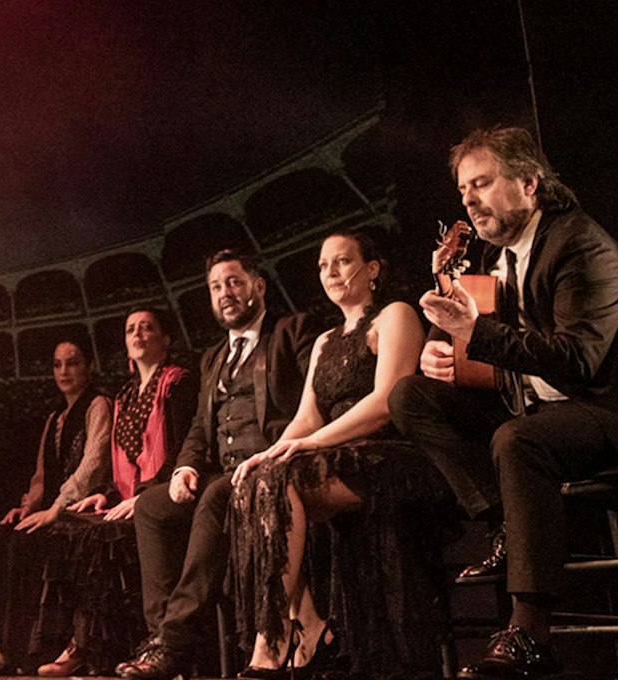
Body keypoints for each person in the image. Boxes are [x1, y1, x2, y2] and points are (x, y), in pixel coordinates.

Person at [390, 126, 618, 679]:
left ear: (530, 183)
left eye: (482, 183)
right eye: (464, 189)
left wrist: (476, 333)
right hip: (551, 411)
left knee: (519, 438)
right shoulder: (499, 258)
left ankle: (530, 632)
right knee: (411, 396)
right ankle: (505, 522)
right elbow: (518, 368)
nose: (468, 199)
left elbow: (578, 360)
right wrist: (456, 367)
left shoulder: (579, 242)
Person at [227, 231, 451, 678]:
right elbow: (305, 417)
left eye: (342, 261)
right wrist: (268, 453)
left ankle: (270, 647)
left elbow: (388, 400)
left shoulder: (395, 315)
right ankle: (306, 625)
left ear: (372, 270)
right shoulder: (326, 340)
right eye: (324, 265)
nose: (330, 272)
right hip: (337, 454)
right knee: (255, 480)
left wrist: (310, 444)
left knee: (280, 480)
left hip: (394, 455)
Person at [116, 250, 321, 680]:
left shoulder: (291, 331)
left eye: (233, 282)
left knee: (215, 494)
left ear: (258, 287)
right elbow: (198, 428)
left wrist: (282, 452)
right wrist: (184, 467)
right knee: (152, 507)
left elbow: (315, 403)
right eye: (215, 287)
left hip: (271, 470)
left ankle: (172, 643)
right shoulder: (211, 358)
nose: (225, 293)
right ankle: (162, 642)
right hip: (222, 475)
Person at [33, 309, 200, 677]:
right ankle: (83, 645)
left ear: (166, 340)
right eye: (130, 329)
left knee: (100, 535)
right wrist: (106, 494)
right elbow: (117, 460)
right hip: (125, 499)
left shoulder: (178, 383)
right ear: (125, 344)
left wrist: (143, 496)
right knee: (71, 527)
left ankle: (96, 647)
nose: (138, 333)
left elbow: (183, 449)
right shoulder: (124, 395)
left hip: (164, 496)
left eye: (147, 327)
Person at [0, 341, 112, 676]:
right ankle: (0, 647)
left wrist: (56, 509)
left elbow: (93, 466)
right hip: (54, 509)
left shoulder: (98, 405)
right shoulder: (54, 417)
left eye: (72, 363)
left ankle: (28, 650)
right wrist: (28, 506)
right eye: (58, 364)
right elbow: (41, 476)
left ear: (88, 366)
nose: (64, 372)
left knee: (27, 543)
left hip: (84, 508)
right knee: (4, 537)